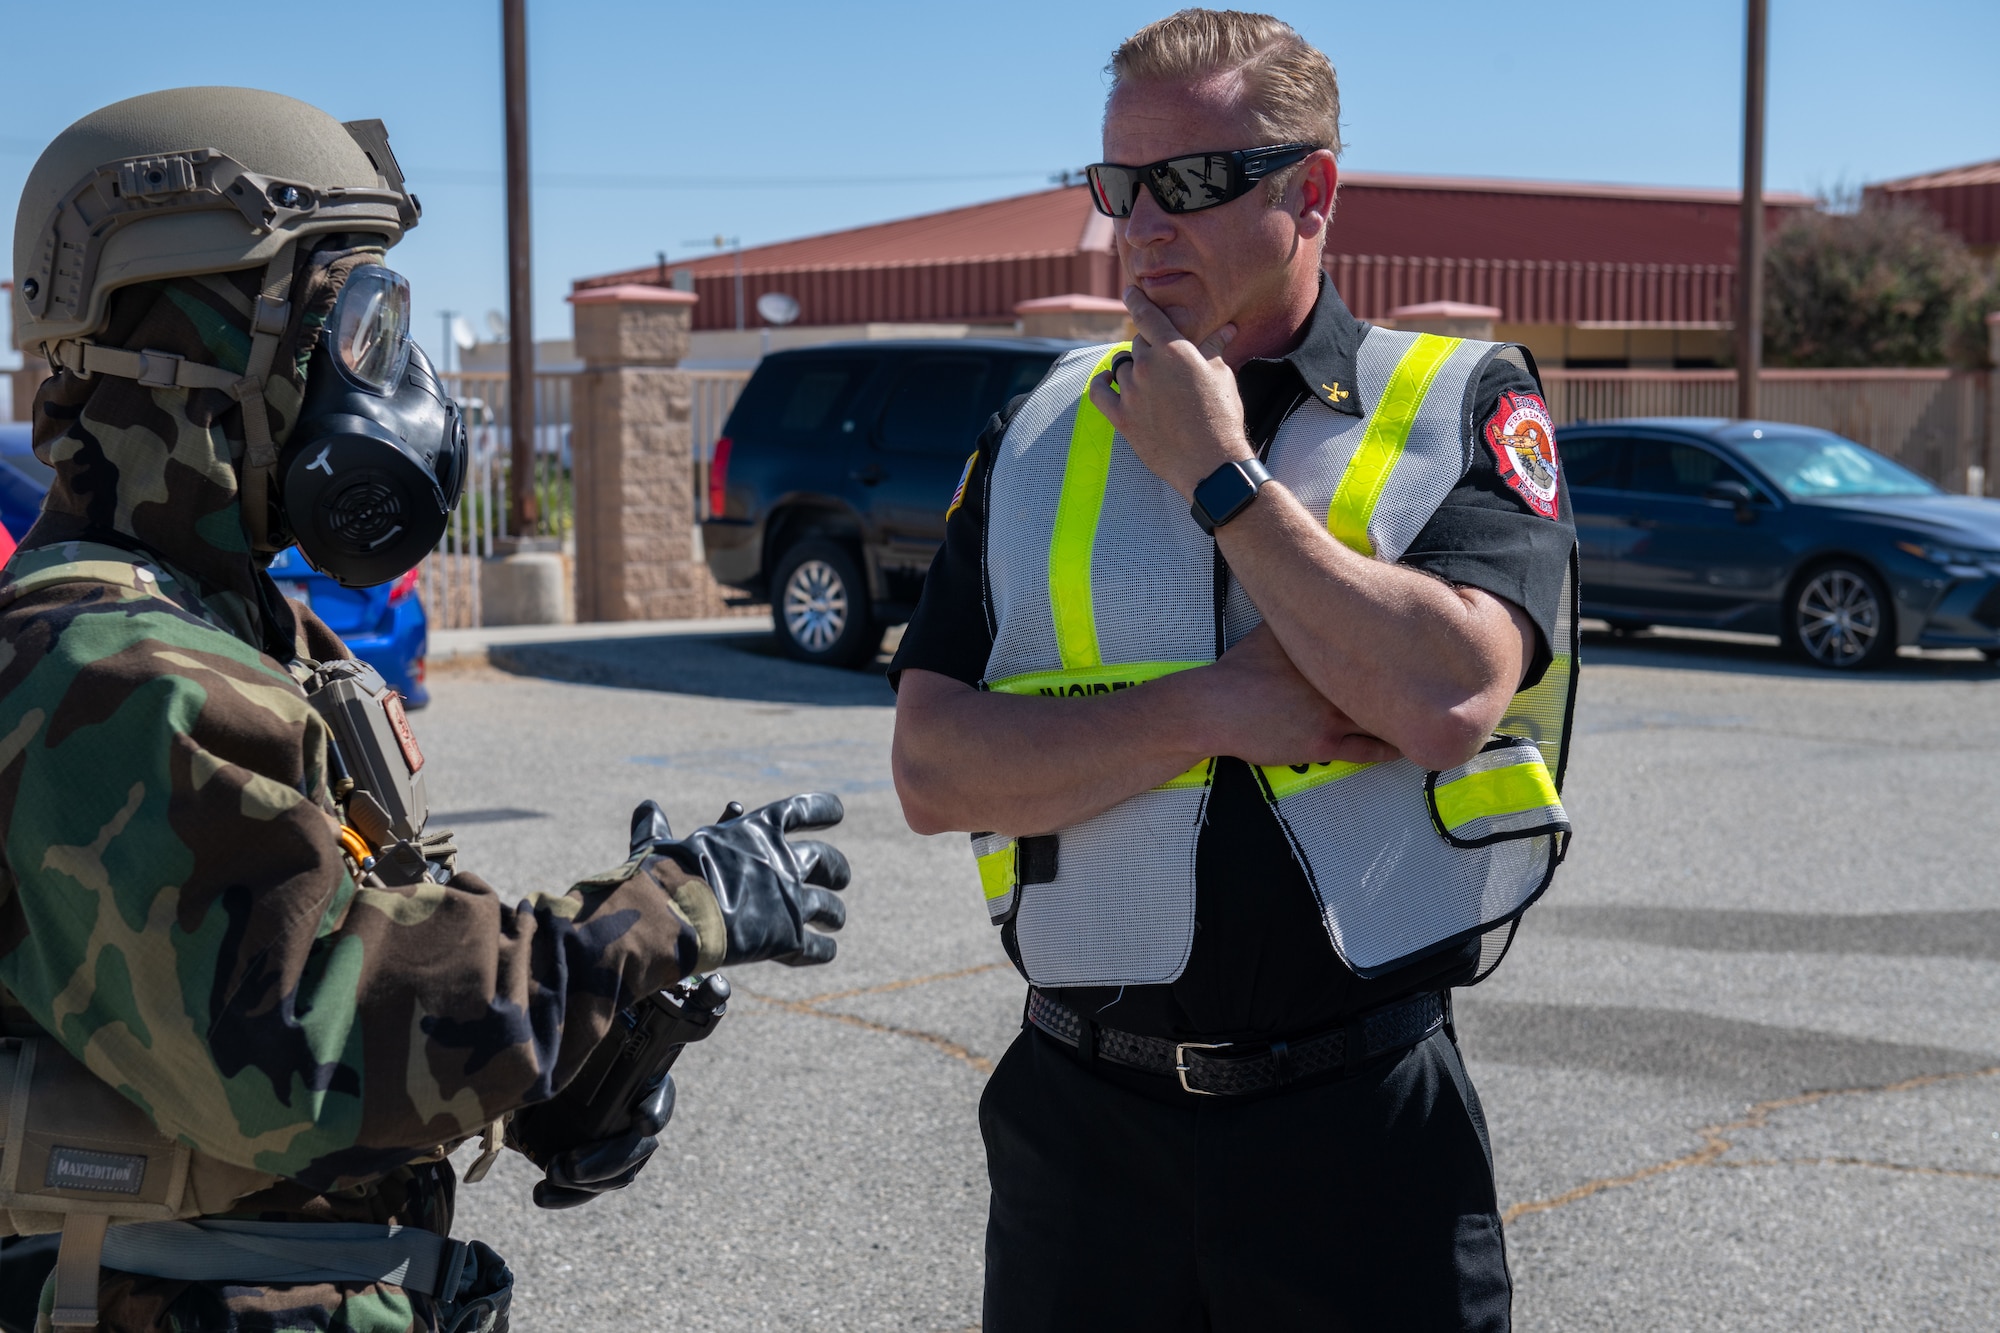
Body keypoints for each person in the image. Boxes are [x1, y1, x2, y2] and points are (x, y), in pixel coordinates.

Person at [0, 88, 849, 1333]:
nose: (390, 380)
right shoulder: (114, 671)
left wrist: (569, 1058)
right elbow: (302, 1047)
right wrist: (649, 919)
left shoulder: (227, 626)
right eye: (348, 323)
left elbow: (358, 938)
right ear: (195, 338)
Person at [890, 11, 1578, 1330]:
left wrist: (1221, 478)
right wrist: (1218, 709)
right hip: (1082, 1136)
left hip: (1359, 1134)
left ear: (1312, 190)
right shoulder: (1037, 429)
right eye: (1117, 187)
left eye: (1192, 185)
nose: (1142, 227)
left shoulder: (1456, 399)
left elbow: (1445, 695)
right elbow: (931, 769)